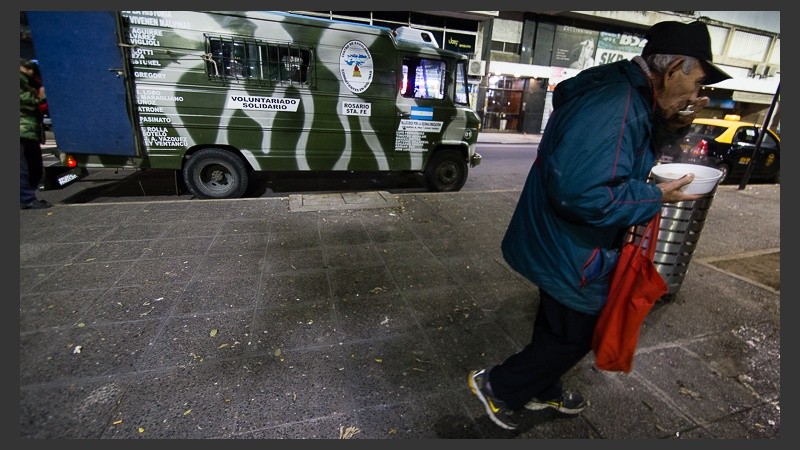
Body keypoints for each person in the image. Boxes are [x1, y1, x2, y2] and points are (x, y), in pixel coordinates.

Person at [468, 20, 731, 430]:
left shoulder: (631, 93)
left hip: (559, 238)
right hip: (573, 246)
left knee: (556, 322)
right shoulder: (616, 104)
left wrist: (673, 122)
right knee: (579, 333)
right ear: (675, 66)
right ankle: (500, 387)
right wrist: (655, 196)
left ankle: (543, 387)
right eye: (699, 81)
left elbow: (624, 149)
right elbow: (583, 194)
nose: (700, 94)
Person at [20, 58, 52, 210]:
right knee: (23, 168)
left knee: (34, 167)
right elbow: (25, 100)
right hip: (22, 129)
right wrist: (40, 96)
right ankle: (26, 199)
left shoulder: (28, 82)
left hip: (29, 130)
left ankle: (28, 197)